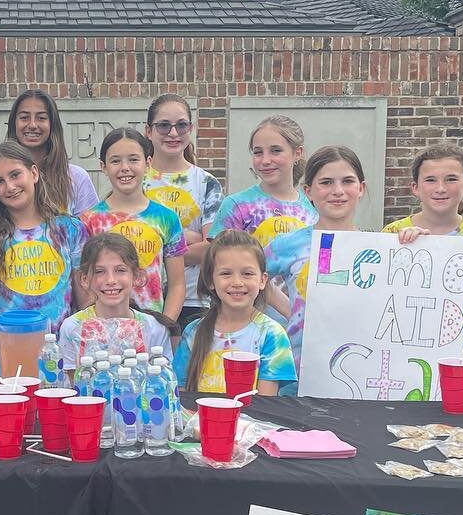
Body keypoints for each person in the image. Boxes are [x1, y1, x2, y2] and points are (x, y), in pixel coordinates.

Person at [0, 143, 88, 365]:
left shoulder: (69, 229)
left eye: (15, 175)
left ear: (33, 173)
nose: (10, 186)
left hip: (55, 360)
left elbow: (85, 301)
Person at [263, 146, 368, 374]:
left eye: (347, 181)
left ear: (361, 188)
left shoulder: (375, 249)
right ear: (308, 191)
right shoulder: (287, 245)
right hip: (296, 372)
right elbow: (251, 277)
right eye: (326, 182)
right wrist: (291, 310)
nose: (337, 191)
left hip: (358, 371)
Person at [173, 230, 295, 395]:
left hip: (251, 420)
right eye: (226, 273)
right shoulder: (193, 332)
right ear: (210, 280)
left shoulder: (272, 334)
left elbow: (267, 403)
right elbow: (181, 396)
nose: (237, 282)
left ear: (262, 280)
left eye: (247, 274)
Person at [80, 128, 186, 318]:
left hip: (152, 329)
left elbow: (177, 283)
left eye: (133, 159)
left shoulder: (166, 219)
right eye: (115, 161)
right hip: (103, 327)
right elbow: (85, 284)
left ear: (148, 163)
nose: (125, 167)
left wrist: (165, 326)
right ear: (103, 166)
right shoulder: (89, 220)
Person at [144, 93, 222, 331]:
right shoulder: (134, 180)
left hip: (193, 300)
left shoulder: (207, 183)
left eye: (181, 125)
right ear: (148, 131)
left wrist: (155, 243)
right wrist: (185, 240)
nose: (173, 133)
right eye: (164, 126)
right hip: (141, 298)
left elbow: (212, 249)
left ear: (191, 128)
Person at [0, 89, 98, 218]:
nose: (32, 125)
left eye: (41, 118)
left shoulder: (76, 178)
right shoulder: (0, 177)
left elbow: (92, 232)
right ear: (14, 123)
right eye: (24, 118)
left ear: (52, 124)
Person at [58, 234, 176, 368]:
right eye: (99, 271)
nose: (111, 280)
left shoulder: (155, 329)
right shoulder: (72, 328)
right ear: (85, 279)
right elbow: (70, 382)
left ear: (136, 276)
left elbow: (163, 382)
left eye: (120, 270)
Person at [208, 114, 318, 247]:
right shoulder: (236, 206)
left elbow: (324, 261)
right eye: (258, 152)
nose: (265, 161)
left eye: (276, 151)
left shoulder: (315, 209)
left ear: (297, 153)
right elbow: (219, 261)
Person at [382, 144, 463, 239]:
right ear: (416, 188)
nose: (440, 189)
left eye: (451, 179)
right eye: (430, 180)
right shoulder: (392, 233)